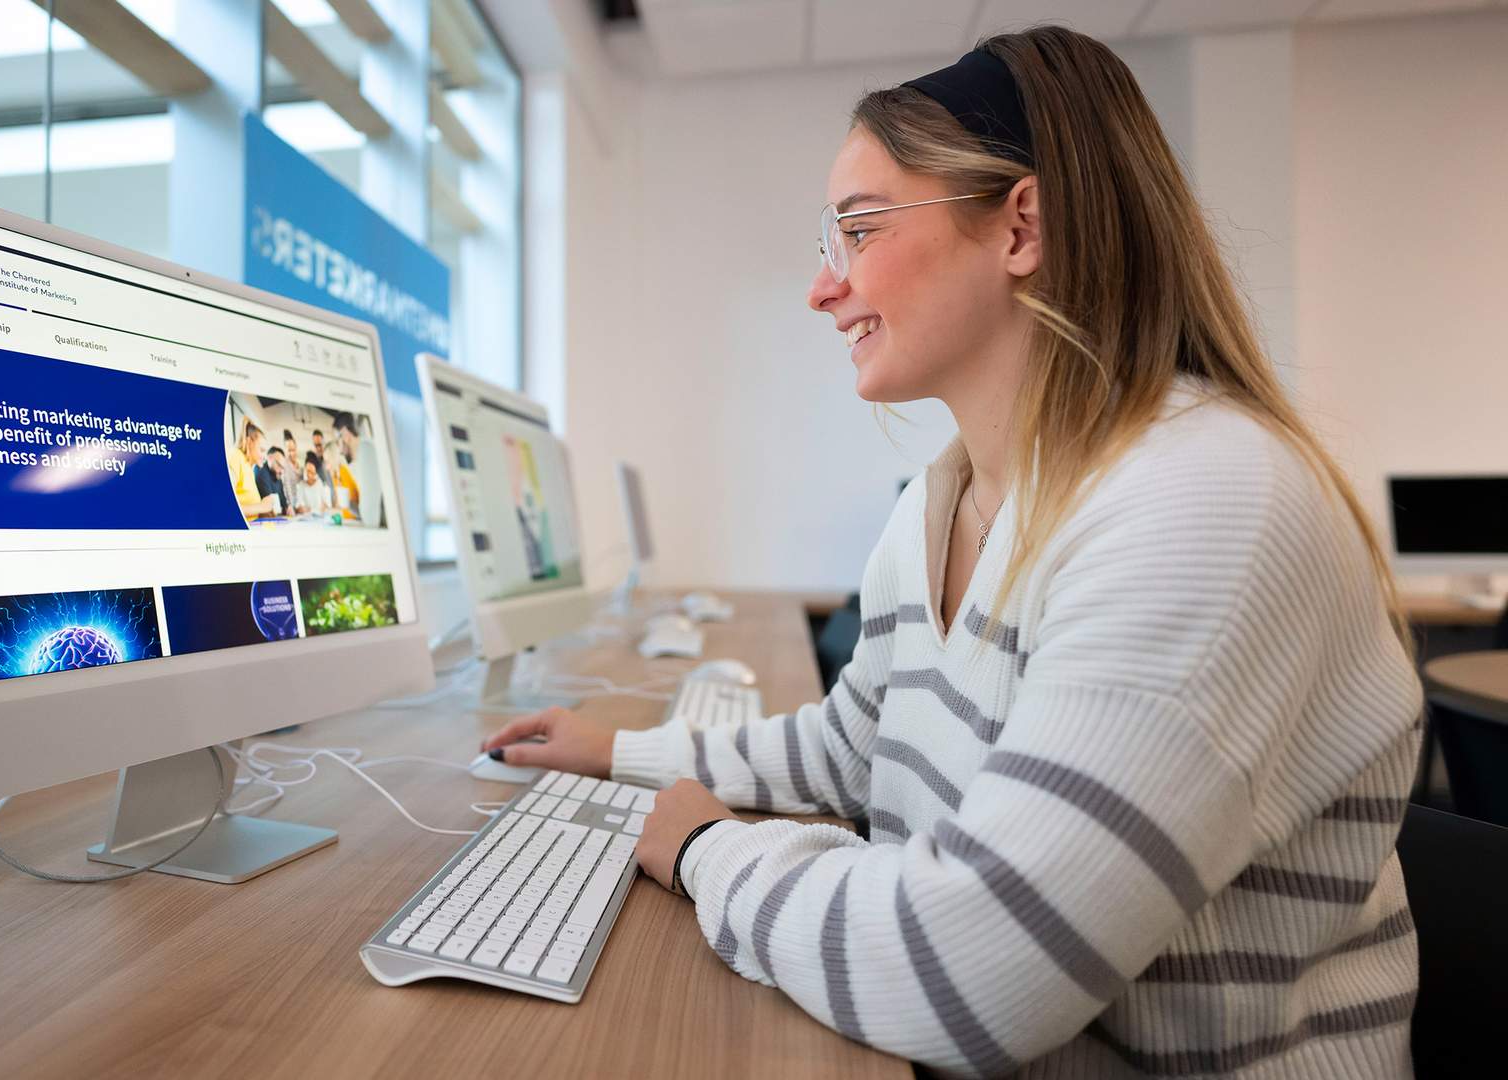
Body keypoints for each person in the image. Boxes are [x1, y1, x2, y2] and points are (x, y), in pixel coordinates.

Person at [482, 27, 1421, 1077]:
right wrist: (618, 754)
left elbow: (971, 977)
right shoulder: (943, 504)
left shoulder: (1204, 507)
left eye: (859, 229)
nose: (821, 288)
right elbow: (853, 750)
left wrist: (707, 850)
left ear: (1022, 225)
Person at [330, 411, 383, 528]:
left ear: (345, 434)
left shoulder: (366, 450)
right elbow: (365, 513)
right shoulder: (359, 459)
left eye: (337, 440)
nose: (339, 449)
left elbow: (371, 519)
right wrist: (347, 503)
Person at [227, 419, 279, 520]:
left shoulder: (250, 469)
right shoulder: (236, 457)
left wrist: (263, 512)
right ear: (250, 442)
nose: (265, 456)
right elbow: (225, 507)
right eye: (262, 450)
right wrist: (262, 506)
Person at [294, 453, 333, 517]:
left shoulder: (321, 484)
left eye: (311, 472)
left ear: (315, 473)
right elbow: (298, 505)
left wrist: (324, 507)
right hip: (305, 518)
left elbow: (327, 505)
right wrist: (300, 508)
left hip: (319, 518)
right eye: (307, 471)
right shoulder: (301, 485)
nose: (308, 474)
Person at [258, 446, 291, 516]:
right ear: (269, 458)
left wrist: (288, 507)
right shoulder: (262, 474)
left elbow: (283, 499)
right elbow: (271, 505)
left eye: (283, 467)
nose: (281, 471)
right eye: (279, 465)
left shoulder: (277, 474)